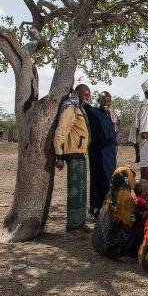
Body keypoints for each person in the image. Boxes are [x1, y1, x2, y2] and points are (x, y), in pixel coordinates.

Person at [54, 84, 92, 238]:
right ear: (76, 92)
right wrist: (59, 156)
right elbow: (62, 131)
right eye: (85, 94)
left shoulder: (79, 108)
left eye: (88, 95)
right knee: (74, 191)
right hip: (73, 154)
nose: (87, 97)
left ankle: (80, 223)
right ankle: (72, 227)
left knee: (81, 191)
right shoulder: (70, 107)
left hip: (80, 153)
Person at [91, 166, 145, 262]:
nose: (133, 179)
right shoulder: (124, 196)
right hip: (111, 246)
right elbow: (135, 220)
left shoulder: (111, 192)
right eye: (131, 176)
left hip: (99, 242)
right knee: (142, 230)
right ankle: (122, 253)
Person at [84, 91, 118, 222]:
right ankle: (93, 209)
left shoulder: (112, 115)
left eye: (108, 101)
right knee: (97, 178)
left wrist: (115, 144)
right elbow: (83, 103)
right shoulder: (93, 111)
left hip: (110, 153)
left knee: (109, 179)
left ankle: (105, 209)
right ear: (99, 100)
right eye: (103, 100)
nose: (106, 103)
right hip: (98, 152)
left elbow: (115, 131)